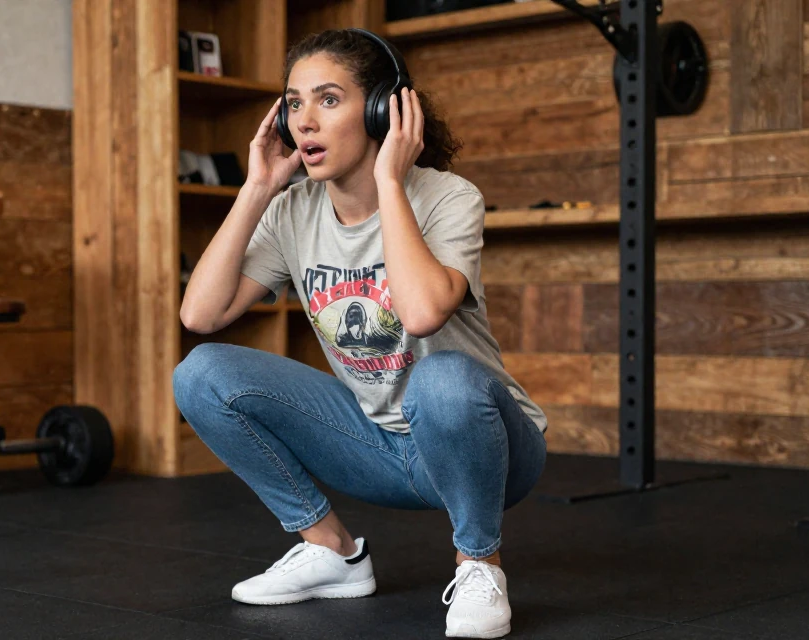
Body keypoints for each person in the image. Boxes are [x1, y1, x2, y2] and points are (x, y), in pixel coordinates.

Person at [173, 28, 548, 639]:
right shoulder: (293, 210)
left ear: (383, 109)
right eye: (294, 104)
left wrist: (391, 182)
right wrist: (257, 188)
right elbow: (201, 314)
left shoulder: (448, 198)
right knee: (201, 373)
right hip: (377, 445)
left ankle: (480, 563)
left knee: (443, 378)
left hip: (486, 450)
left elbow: (424, 313)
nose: (304, 123)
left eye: (327, 100)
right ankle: (331, 551)